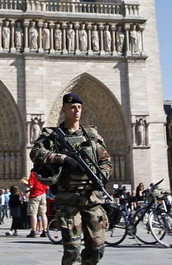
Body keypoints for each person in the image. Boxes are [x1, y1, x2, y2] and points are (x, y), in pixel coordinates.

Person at [30, 92, 112, 265]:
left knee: (97, 247)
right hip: (68, 199)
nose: (76, 111)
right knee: (72, 250)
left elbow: (106, 161)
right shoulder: (53, 135)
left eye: (79, 108)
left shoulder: (92, 135)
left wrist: (102, 176)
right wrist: (64, 159)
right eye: (72, 107)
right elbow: (35, 153)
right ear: (64, 110)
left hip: (91, 198)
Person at [25, 169, 48, 238]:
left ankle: (34, 231)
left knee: (33, 213)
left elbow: (30, 185)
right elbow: (47, 186)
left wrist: (25, 184)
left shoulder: (33, 174)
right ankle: (45, 231)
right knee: (43, 214)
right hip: (43, 194)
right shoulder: (44, 174)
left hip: (35, 195)